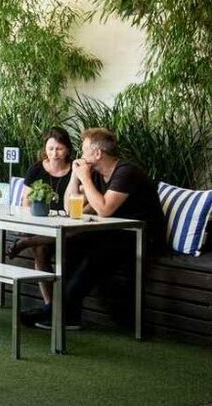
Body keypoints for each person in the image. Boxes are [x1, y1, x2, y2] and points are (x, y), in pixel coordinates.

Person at [30, 128, 165, 330]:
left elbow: (103, 209)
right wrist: (76, 178)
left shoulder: (126, 172)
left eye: (84, 151)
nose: (81, 156)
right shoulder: (96, 174)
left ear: (97, 153)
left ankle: (57, 312)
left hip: (142, 236)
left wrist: (84, 178)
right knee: (73, 245)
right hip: (115, 232)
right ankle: (69, 316)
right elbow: (70, 208)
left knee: (96, 255)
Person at [10, 127, 74, 324]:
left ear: (68, 150)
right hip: (40, 223)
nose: (54, 154)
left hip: (67, 224)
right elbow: (26, 202)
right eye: (50, 149)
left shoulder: (76, 170)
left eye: (59, 149)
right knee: (41, 249)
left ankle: (26, 242)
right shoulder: (37, 168)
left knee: (43, 244)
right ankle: (50, 304)